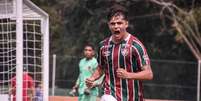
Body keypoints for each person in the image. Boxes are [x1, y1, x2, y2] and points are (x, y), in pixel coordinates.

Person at [86, 3, 153, 101]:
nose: (116, 26)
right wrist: (92, 78)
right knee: (106, 98)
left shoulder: (135, 45)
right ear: (108, 25)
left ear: (126, 24)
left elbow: (149, 74)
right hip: (109, 93)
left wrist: (129, 75)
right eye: (113, 23)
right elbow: (101, 67)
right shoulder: (103, 46)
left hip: (132, 97)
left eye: (119, 23)